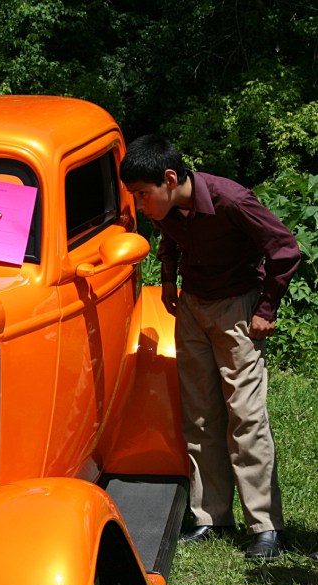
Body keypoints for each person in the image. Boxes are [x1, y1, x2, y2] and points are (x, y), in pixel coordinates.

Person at [120, 135, 300, 560]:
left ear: (169, 178)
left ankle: (266, 526)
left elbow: (285, 249)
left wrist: (267, 309)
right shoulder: (166, 208)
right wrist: (168, 279)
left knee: (246, 416)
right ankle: (211, 517)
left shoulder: (231, 200)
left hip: (237, 312)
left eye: (143, 196)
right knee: (200, 414)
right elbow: (169, 240)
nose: (141, 206)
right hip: (192, 309)